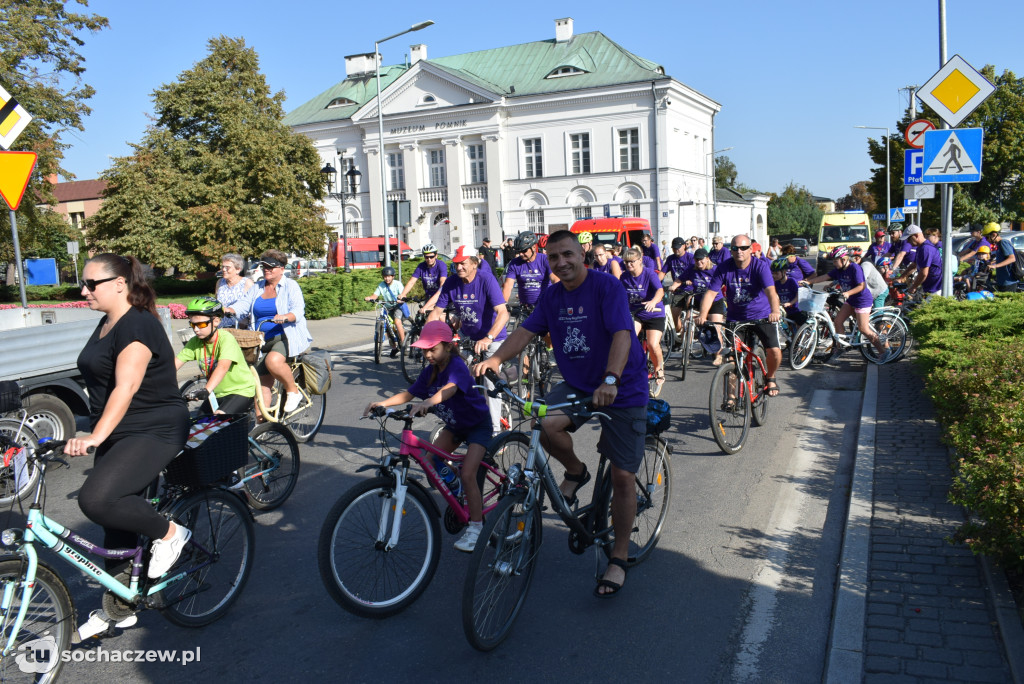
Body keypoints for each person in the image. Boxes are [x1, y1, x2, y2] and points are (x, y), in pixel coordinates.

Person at [474, 230, 648, 598]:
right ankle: (576, 471)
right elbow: (525, 331)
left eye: (567, 254)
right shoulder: (552, 296)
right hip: (579, 383)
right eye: (553, 258)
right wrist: (495, 359)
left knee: (621, 477)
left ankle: (617, 557)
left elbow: (621, 334)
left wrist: (612, 379)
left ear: (582, 254)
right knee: (544, 423)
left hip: (622, 386)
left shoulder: (606, 287)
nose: (561, 262)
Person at [65, 253, 191, 585]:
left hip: (155, 427)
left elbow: (127, 385)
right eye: (83, 283)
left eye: (91, 284)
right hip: (121, 429)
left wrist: (94, 437)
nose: (83, 291)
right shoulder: (108, 321)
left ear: (120, 284)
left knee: (97, 499)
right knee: (115, 519)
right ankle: (121, 602)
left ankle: (170, 533)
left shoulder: (137, 324)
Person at [364, 321, 492, 552]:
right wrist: (381, 403)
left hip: (477, 426)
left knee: (469, 473)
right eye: (425, 349)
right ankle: (458, 488)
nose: (428, 354)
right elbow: (410, 393)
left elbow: (450, 389)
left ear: (448, 346)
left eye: (433, 349)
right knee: (431, 461)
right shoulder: (430, 372)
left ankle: (476, 527)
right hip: (455, 426)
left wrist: (428, 402)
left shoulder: (456, 366)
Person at [427, 248, 509, 433]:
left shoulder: (486, 280)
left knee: (490, 384)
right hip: (467, 338)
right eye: (456, 263)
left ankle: (495, 431)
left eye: (463, 263)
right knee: (458, 377)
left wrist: (488, 338)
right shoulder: (452, 282)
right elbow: (436, 312)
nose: (459, 267)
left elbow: (503, 313)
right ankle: (465, 421)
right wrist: (427, 339)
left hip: (492, 337)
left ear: (474, 263)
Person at [697, 234, 782, 397]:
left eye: (743, 248)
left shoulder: (760, 266)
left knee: (775, 351)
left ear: (750, 249)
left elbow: (771, 291)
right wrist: (703, 315)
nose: (739, 251)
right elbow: (710, 293)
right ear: (731, 250)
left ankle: (770, 377)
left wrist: (775, 311)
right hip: (736, 319)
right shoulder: (724, 267)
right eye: (735, 248)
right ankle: (731, 396)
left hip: (762, 316)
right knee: (732, 358)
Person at [232, 250, 312, 414]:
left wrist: (285, 317)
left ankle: (293, 391)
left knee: (273, 362)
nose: (266, 270)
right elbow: (243, 305)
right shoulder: (257, 287)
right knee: (260, 386)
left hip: (285, 336)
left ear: (282, 268)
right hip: (261, 339)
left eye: (271, 267)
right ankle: (261, 426)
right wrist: (228, 309)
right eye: (264, 267)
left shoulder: (291, 286)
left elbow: (298, 311)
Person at [802, 246, 889, 359]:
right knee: (838, 321)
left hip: (862, 301)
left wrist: (848, 293)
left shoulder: (855, 268)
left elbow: (861, 286)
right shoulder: (839, 270)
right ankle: (841, 347)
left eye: (835, 261)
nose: (833, 263)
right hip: (851, 300)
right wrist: (809, 281)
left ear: (844, 259)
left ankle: (883, 352)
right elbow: (825, 277)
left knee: (863, 329)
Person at [175, 298, 257, 415]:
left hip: (240, 391)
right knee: (198, 426)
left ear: (216, 321)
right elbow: (174, 364)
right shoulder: (195, 342)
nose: (196, 329)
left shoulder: (225, 339)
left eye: (201, 324)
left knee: (219, 420)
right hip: (217, 393)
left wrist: (206, 390)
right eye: (192, 324)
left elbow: (223, 367)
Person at [620, 246, 666, 396]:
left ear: (640, 260)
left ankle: (659, 370)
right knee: (628, 339)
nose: (629, 265)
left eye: (632, 262)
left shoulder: (649, 274)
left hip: (654, 313)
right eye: (626, 262)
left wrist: (653, 302)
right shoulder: (624, 277)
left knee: (653, 344)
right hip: (636, 313)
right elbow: (620, 295)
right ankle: (629, 371)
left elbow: (660, 291)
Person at [671, 247, 725, 365]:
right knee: (687, 323)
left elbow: (724, 283)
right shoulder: (692, 269)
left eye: (701, 260)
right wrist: (674, 286)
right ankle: (686, 352)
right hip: (698, 300)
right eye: (696, 260)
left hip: (715, 302)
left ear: (707, 259)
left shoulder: (715, 269)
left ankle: (718, 355)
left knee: (716, 328)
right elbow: (679, 279)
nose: (699, 262)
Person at [502, 231, 557, 313]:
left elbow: (555, 280)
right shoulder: (514, 263)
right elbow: (508, 286)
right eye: (518, 251)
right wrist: (503, 305)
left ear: (534, 247)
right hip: (525, 308)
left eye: (524, 251)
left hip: (545, 306)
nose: (520, 254)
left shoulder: (545, 260)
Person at [365, 266, 408, 357]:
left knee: (397, 321)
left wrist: (400, 298)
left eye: (389, 276)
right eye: (385, 276)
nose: (387, 278)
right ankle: (394, 347)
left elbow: (403, 294)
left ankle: (403, 344)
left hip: (398, 306)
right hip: (388, 307)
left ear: (393, 276)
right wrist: (370, 298)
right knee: (388, 328)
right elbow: (375, 295)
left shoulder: (398, 284)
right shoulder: (381, 285)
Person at [663, 237, 694, 338]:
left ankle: (688, 335)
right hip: (678, 290)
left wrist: (691, 280)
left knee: (689, 316)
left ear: (684, 246)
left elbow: (696, 273)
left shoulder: (690, 258)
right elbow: (662, 273)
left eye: (678, 248)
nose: (676, 250)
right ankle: (679, 336)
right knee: (674, 315)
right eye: (674, 248)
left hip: (690, 290)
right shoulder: (671, 259)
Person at [399, 244, 447, 308]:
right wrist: (403, 294)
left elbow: (442, 282)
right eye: (426, 257)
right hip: (428, 296)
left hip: (440, 296)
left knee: (432, 314)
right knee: (422, 315)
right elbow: (411, 282)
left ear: (436, 256)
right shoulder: (421, 266)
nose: (429, 259)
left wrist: (438, 296)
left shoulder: (441, 265)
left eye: (431, 257)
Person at [216, 253, 254, 329]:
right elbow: (217, 304)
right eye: (223, 267)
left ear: (238, 269)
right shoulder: (220, 282)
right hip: (221, 328)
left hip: (240, 328)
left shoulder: (247, 283)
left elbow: (254, 307)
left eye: (227, 267)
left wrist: (247, 320)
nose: (223, 269)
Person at [904, 226, 943, 298]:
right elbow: (914, 265)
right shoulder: (921, 247)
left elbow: (924, 273)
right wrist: (902, 277)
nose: (907, 242)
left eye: (908, 239)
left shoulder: (926, 249)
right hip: (929, 287)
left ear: (916, 236)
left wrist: (914, 287)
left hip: (935, 289)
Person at [770, 256, 807, 327]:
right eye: (773, 273)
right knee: (790, 331)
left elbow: (798, 294)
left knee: (799, 329)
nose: (774, 275)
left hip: (797, 310)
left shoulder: (791, 281)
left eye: (776, 273)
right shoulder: (776, 283)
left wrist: (790, 303)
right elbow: (775, 295)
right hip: (787, 311)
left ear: (784, 272)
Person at [984, 223, 1019, 292]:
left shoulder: (1003, 242)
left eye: (987, 237)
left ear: (994, 234)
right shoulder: (999, 245)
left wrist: (995, 266)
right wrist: (993, 263)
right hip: (1002, 281)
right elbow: (1004, 259)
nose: (987, 240)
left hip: (1008, 282)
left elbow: (1012, 258)